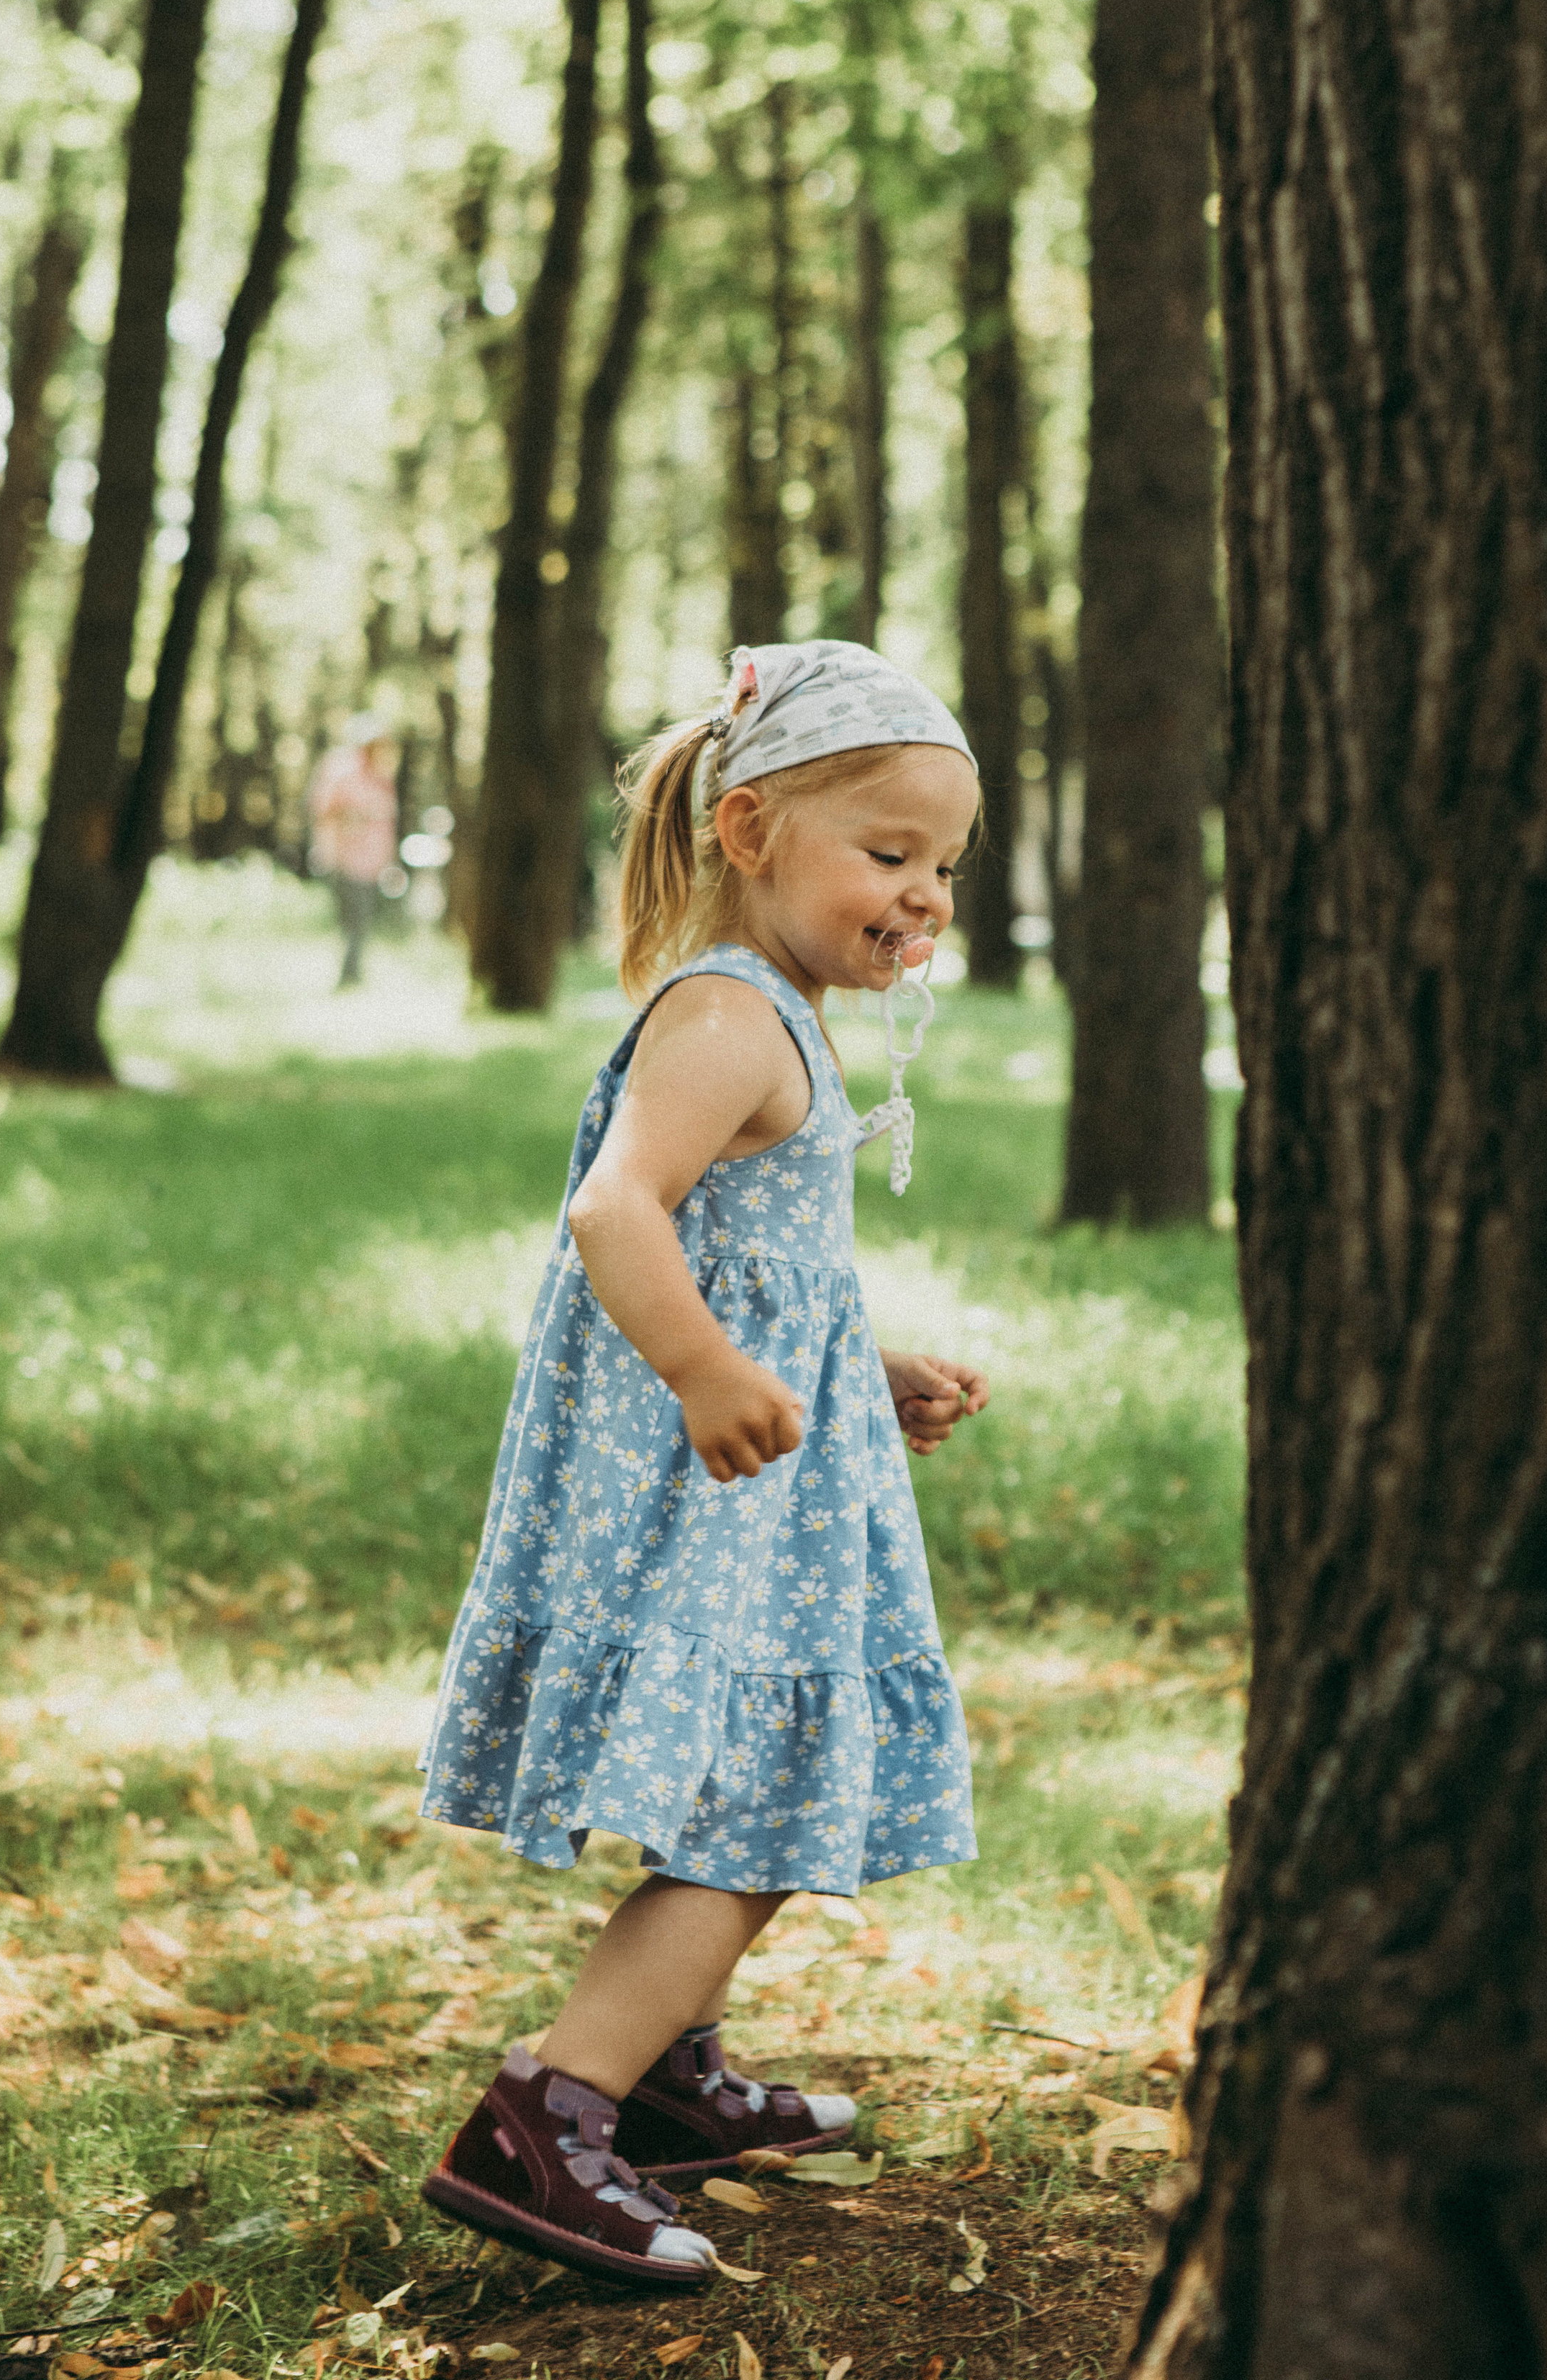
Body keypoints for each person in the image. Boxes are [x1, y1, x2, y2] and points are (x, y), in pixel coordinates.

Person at [415, 641, 989, 2285]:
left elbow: (756, 1258)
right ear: (745, 829)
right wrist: (704, 1365)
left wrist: (847, 1369)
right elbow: (615, 1207)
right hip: (700, 1502)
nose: (922, 893)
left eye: (940, 864)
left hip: (759, 1497)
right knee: (749, 1807)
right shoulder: (727, 1013)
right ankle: (548, 2107)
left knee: (761, 1776)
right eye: (886, 854)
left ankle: (668, 2071)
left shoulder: (774, 1007)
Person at [307, 715, 398, 989]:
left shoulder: (381, 777)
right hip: (346, 858)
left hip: (373, 861)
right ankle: (349, 976)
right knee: (353, 918)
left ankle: (354, 974)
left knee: (364, 918)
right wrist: (352, 819)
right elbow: (323, 810)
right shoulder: (341, 771)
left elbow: (388, 819)